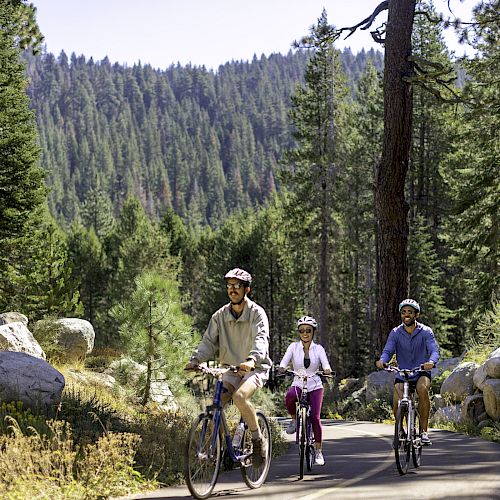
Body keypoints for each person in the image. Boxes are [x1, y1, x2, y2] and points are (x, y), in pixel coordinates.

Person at [184, 268, 272, 466]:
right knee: (217, 406)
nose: (232, 289)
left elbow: (261, 340)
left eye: (237, 286)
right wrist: (196, 359)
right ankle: (224, 447)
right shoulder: (220, 316)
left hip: (255, 367)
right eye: (229, 286)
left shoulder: (257, 314)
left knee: (240, 397)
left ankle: (258, 440)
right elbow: (208, 341)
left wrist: (251, 360)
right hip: (230, 368)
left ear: (246, 289)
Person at [376, 299, 440, 445]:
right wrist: (382, 360)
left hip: (421, 371)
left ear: (416, 314)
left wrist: (431, 362)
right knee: (397, 401)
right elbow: (388, 350)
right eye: (404, 312)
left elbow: (434, 350)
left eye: (410, 312)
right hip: (403, 372)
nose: (406, 315)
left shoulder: (426, 332)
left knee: (422, 389)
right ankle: (400, 430)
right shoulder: (396, 333)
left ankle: (424, 432)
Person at [278, 316, 332, 466]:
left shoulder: (319, 349)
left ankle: (319, 451)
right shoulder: (293, 347)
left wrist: (327, 370)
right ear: (299, 332)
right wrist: (282, 368)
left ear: (313, 332)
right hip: (299, 382)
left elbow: (326, 364)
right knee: (289, 397)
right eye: (302, 330)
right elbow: (284, 361)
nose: (305, 333)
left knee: (314, 417)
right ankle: (295, 420)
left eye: (308, 330)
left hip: (315, 384)